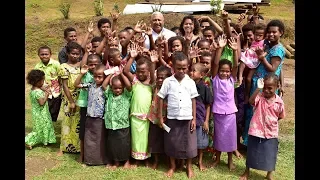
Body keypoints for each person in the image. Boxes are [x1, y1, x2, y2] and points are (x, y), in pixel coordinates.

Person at [242, 19, 286, 147]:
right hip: (259, 84)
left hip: (267, 87)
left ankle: (258, 143)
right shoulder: (269, 45)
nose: (271, 34)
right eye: (269, 32)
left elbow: (273, 68)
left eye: (274, 32)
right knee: (253, 113)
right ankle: (248, 142)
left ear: (281, 33)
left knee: (263, 115)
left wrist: (261, 58)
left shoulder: (278, 50)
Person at [158, 52, 199, 178]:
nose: (181, 70)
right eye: (178, 68)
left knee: (189, 143)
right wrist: (160, 117)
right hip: (172, 117)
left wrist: (194, 118)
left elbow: (193, 100)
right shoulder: (168, 81)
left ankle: (189, 166)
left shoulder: (190, 82)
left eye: (184, 68)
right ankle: (172, 166)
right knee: (172, 142)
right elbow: (160, 98)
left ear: (188, 67)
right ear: (173, 68)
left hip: (187, 118)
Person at [240, 74, 285, 180]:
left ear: (277, 87)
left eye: (270, 88)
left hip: (271, 132)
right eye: (264, 87)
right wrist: (258, 89)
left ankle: (269, 174)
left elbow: (280, 116)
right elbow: (251, 101)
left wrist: (271, 122)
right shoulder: (259, 97)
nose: (266, 90)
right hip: (256, 129)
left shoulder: (279, 102)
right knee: (251, 152)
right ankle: (247, 172)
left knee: (271, 153)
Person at [123, 43, 156, 166]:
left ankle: (146, 159)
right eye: (138, 71)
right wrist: (132, 57)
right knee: (136, 139)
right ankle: (136, 159)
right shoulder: (135, 81)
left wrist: (153, 63)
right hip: (134, 116)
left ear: (148, 71)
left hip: (146, 117)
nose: (140, 74)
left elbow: (153, 76)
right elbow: (126, 70)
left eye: (143, 71)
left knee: (146, 139)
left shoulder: (151, 83)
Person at [210, 35, 239, 171]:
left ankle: (230, 160)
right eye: (222, 71)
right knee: (219, 137)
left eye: (227, 71)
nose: (225, 73)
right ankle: (217, 159)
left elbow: (236, 65)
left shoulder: (232, 80)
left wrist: (234, 50)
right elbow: (215, 64)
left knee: (231, 137)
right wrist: (220, 49)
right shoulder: (215, 80)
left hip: (231, 113)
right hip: (218, 112)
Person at [74, 64, 108, 166]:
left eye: (100, 76)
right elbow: (76, 84)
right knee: (89, 139)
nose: (97, 79)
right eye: (95, 76)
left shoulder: (105, 87)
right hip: (89, 117)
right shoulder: (90, 85)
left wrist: (109, 75)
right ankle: (89, 160)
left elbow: (105, 85)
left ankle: (100, 160)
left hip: (99, 118)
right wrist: (81, 74)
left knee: (99, 140)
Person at [102, 72, 133, 169]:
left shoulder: (126, 95)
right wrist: (110, 75)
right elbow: (103, 85)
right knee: (113, 145)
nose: (118, 90)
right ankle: (116, 162)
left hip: (123, 125)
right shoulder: (110, 94)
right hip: (111, 125)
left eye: (120, 88)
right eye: (115, 88)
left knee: (124, 144)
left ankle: (127, 161)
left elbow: (128, 85)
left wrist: (122, 74)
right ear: (111, 88)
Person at [57, 41, 82, 156]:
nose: (75, 56)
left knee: (77, 122)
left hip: (81, 96)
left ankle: (77, 147)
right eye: (73, 53)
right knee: (67, 122)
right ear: (67, 53)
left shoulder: (81, 65)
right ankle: (63, 148)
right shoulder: (63, 67)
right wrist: (71, 101)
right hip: (69, 97)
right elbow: (65, 86)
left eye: (77, 54)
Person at [147, 65, 172, 170]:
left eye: (163, 78)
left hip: (167, 120)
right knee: (155, 140)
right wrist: (153, 63)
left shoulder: (171, 89)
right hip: (154, 119)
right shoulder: (155, 87)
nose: (160, 80)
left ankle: (167, 160)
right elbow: (152, 77)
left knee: (166, 141)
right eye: (159, 78)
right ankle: (156, 161)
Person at [189, 63, 213, 171]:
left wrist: (206, 121)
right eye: (191, 70)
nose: (191, 73)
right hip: (189, 117)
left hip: (201, 118)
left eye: (194, 71)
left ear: (202, 74)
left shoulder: (205, 87)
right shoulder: (188, 85)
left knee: (200, 142)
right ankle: (187, 161)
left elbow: (208, 105)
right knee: (190, 140)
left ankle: (200, 161)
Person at [25, 69, 56, 149]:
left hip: (38, 112)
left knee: (45, 126)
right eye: (43, 80)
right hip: (40, 113)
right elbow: (41, 103)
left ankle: (46, 141)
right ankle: (27, 141)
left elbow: (41, 88)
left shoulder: (34, 89)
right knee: (39, 129)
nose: (44, 82)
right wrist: (46, 94)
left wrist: (45, 89)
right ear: (38, 81)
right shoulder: (38, 92)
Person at [239, 23, 267, 103]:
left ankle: (247, 94)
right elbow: (243, 37)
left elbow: (266, 51)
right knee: (242, 59)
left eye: (260, 35)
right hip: (249, 57)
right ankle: (240, 75)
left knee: (248, 79)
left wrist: (262, 55)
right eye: (256, 35)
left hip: (255, 61)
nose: (257, 37)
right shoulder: (253, 41)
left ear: (264, 36)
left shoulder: (264, 42)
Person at [34, 46, 62, 122]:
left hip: (56, 91)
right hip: (44, 91)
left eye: (46, 54)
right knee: (46, 110)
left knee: (55, 110)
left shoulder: (56, 64)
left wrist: (61, 88)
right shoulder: (37, 66)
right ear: (38, 55)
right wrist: (42, 88)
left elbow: (60, 76)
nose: (44, 56)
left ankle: (52, 124)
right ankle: (45, 125)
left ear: (50, 54)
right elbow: (36, 80)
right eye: (42, 54)